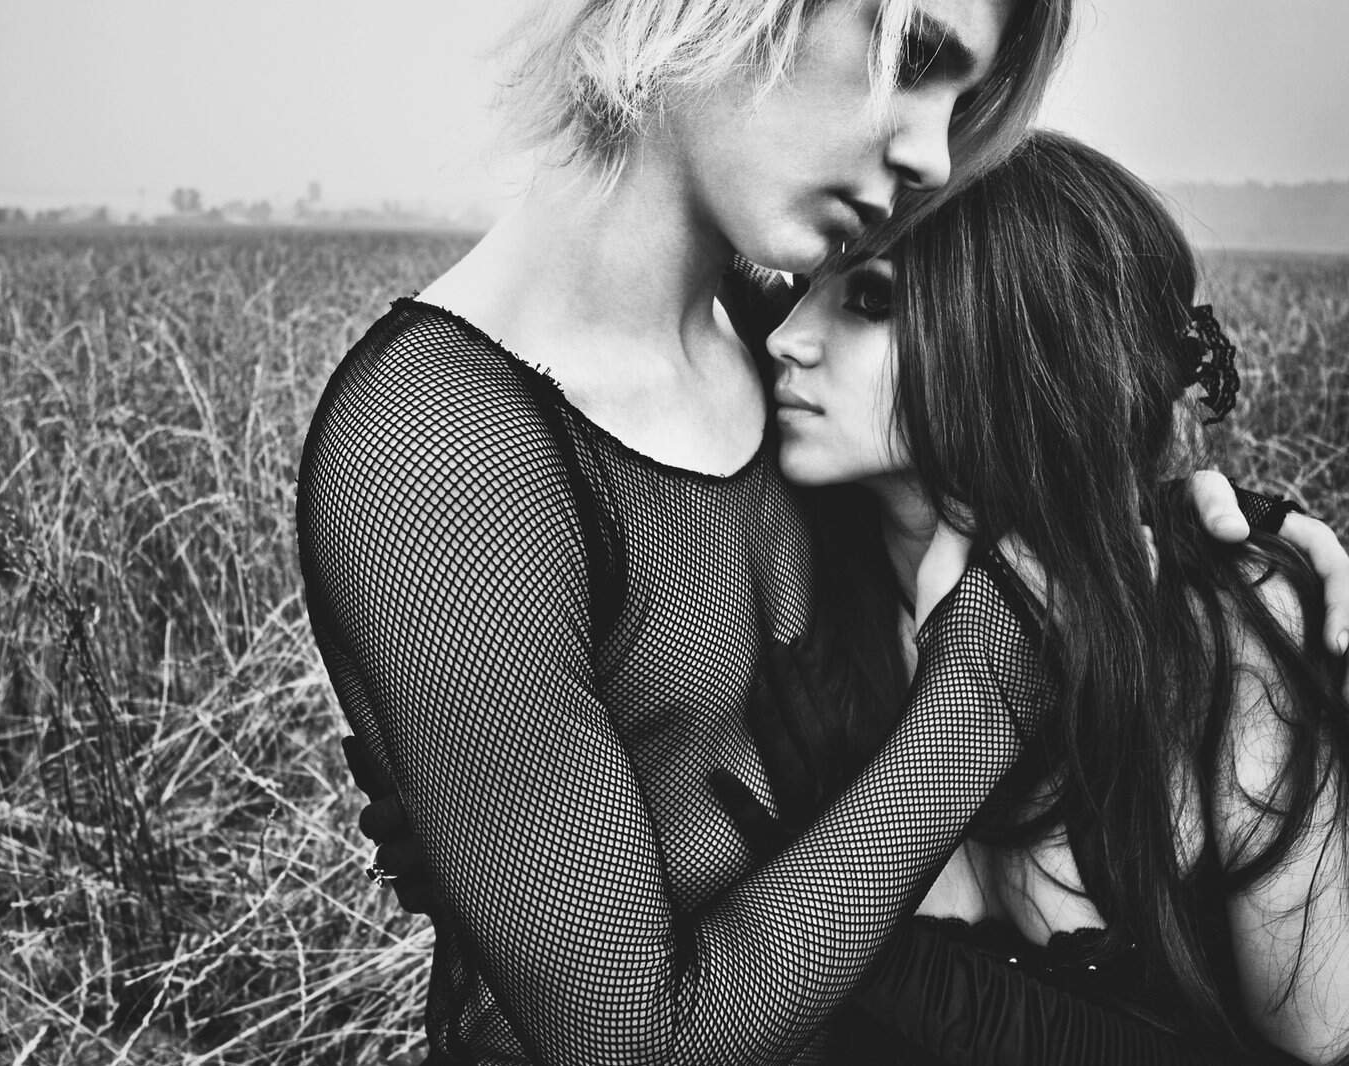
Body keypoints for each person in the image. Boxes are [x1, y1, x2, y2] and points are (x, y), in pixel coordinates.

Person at [296, 1, 1349, 1062]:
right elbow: (628, 1044)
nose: (933, 153)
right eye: (915, 57)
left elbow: (1002, 406)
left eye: (963, 99)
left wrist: (1205, 534)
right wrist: (992, 675)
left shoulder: (763, 347)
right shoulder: (438, 443)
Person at [718, 130, 1348, 1063]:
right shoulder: (781, 592)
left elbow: (1323, 1041)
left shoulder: (1215, 638)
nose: (788, 338)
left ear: (1018, 342)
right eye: (809, 286)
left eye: (872, 298)